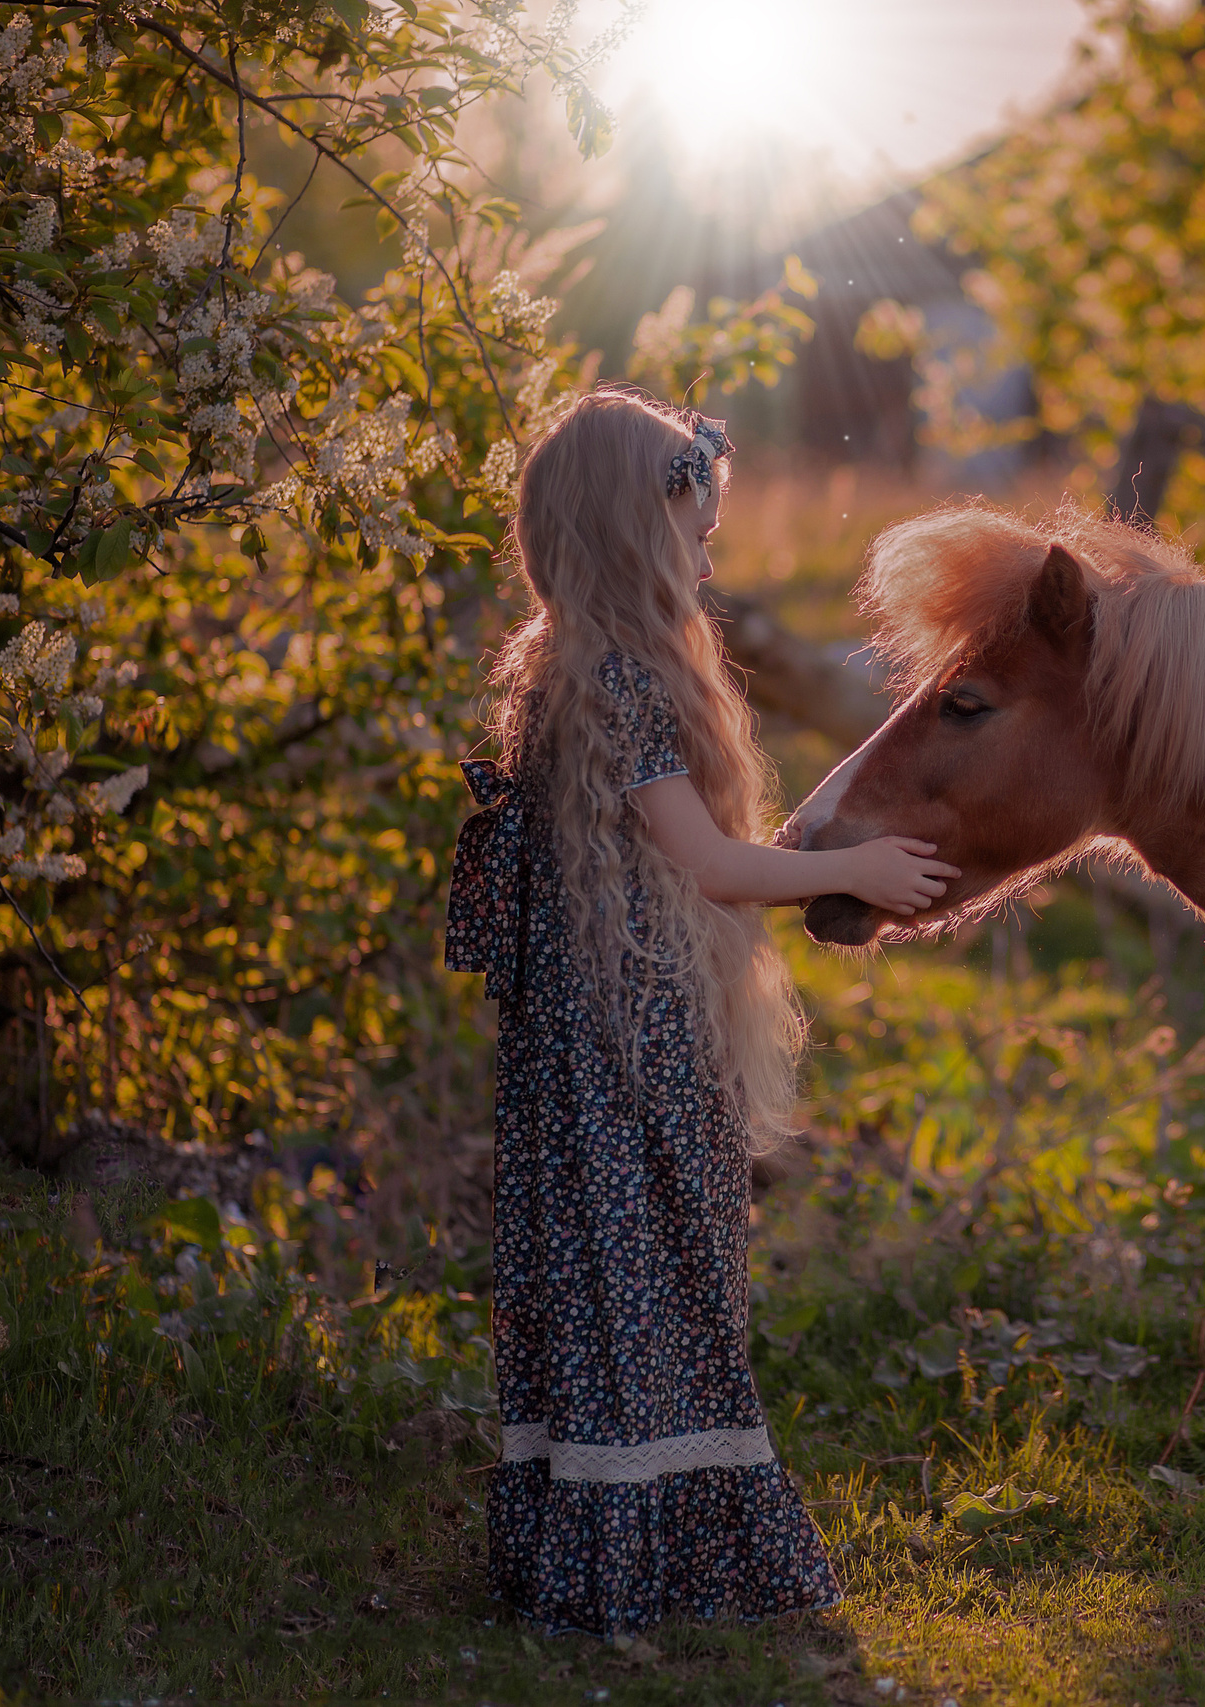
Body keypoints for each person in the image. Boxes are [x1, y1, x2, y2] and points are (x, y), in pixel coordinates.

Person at [444, 386, 957, 1635]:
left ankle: (593, 1549)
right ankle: (661, 1560)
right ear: (637, 529)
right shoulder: (619, 681)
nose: (709, 557)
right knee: (659, 1269)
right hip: (632, 1036)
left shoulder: (548, 670)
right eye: (697, 531)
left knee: (600, 1278)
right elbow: (707, 865)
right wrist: (850, 871)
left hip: (571, 1037)